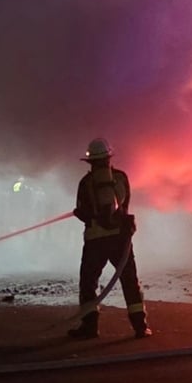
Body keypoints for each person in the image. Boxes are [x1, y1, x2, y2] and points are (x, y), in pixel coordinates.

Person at [67, 137, 151, 339]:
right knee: (129, 281)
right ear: (109, 158)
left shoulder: (85, 183)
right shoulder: (121, 178)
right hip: (120, 240)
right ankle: (140, 327)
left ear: (90, 162)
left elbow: (84, 213)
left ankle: (89, 327)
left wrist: (80, 213)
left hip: (95, 240)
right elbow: (125, 206)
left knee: (88, 283)